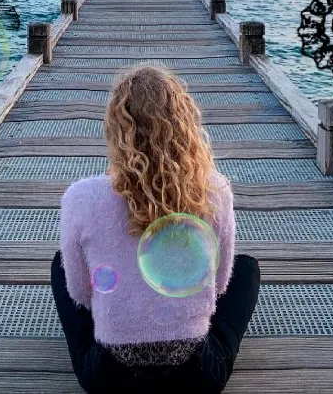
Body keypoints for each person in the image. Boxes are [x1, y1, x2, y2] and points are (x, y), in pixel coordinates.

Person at [51, 64, 260, 394]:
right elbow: (218, 286)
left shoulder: (82, 196)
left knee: (59, 264)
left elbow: (80, 295)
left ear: (116, 130)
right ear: (185, 125)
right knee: (246, 269)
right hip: (197, 377)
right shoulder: (215, 191)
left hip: (109, 380)